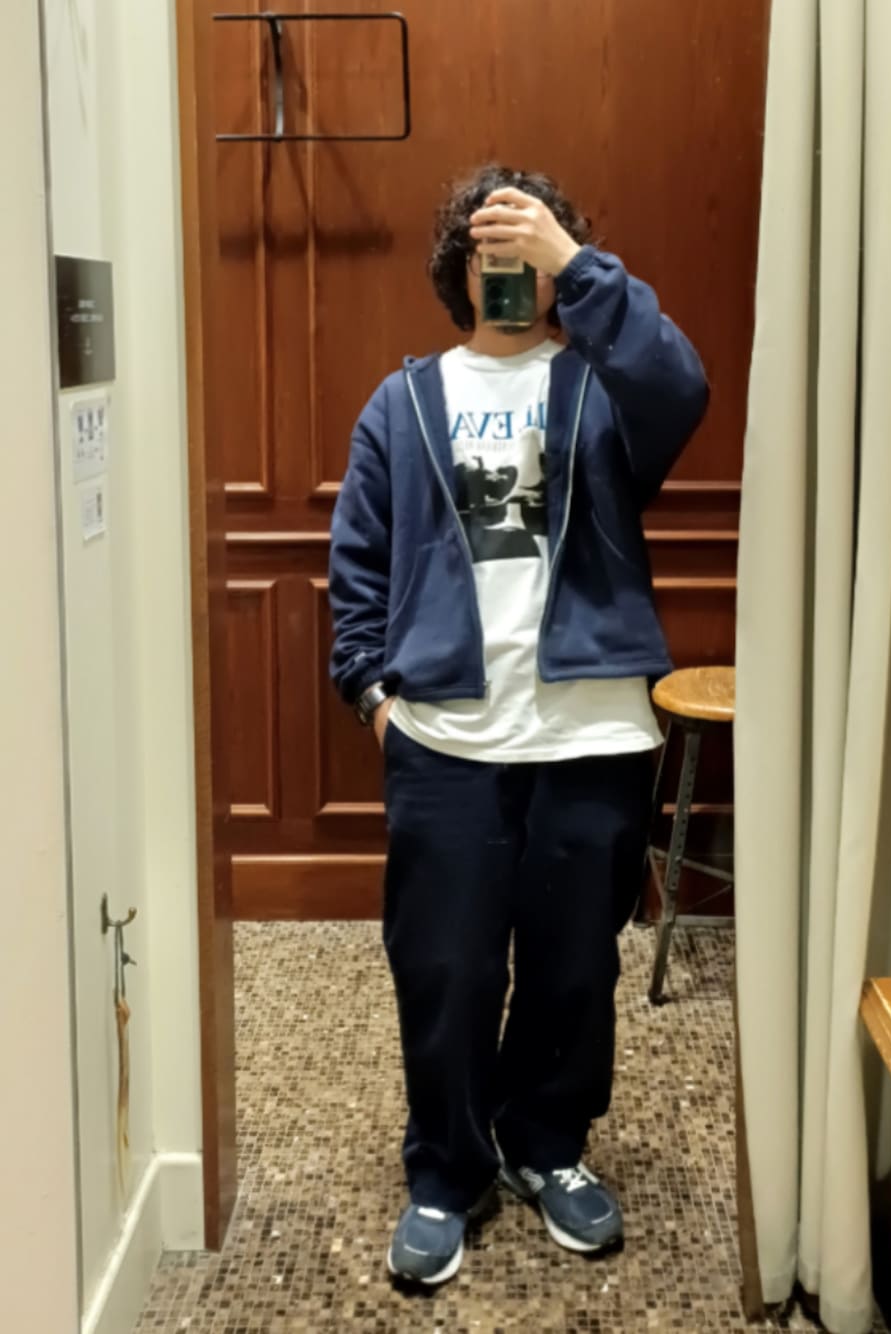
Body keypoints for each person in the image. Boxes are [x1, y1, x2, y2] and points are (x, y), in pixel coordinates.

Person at [328, 164, 709, 1286]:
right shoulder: (402, 403)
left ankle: (547, 1142)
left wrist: (576, 264)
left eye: (529, 255)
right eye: (490, 255)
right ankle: (446, 1168)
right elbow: (356, 567)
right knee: (442, 968)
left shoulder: (606, 390)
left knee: (572, 967)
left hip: (591, 735)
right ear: (458, 274)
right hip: (445, 739)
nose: (510, 273)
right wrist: (374, 697)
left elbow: (681, 385)